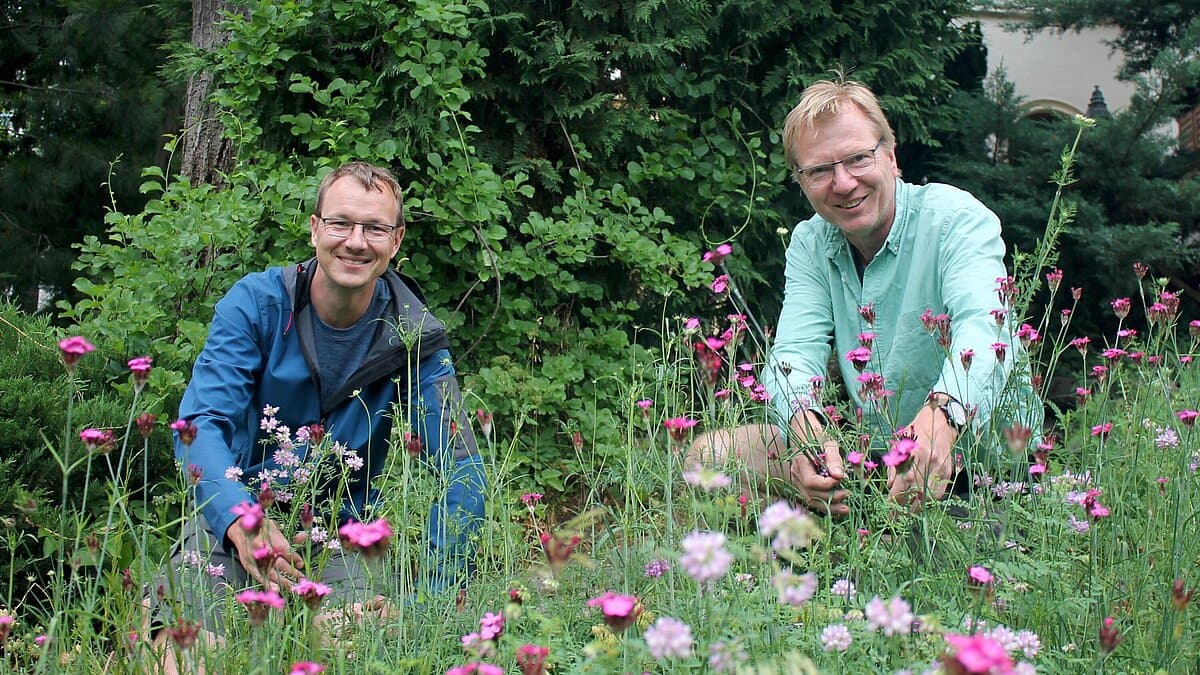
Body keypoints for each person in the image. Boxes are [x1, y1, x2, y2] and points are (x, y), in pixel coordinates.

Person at [159, 161, 486, 638]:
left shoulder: (417, 338)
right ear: (315, 229)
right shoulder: (255, 305)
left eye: (374, 228)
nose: (355, 241)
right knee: (183, 644)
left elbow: (462, 465)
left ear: (396, 242)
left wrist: (429, 599)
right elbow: (201, 423)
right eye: (340, 223)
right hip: (239, 520)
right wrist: (240, 516)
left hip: (343, 538)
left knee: (347, 644)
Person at [691, 76, 1039, 515]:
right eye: (819, 170)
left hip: (984, 463)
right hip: (868, 458)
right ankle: (818, 537)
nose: (842, 183)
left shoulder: (955, 219)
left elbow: (984, 327)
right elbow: (793, 354)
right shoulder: (811, 244)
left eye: (858, 158)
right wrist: (803, 428)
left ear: (891, 158)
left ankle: (854, 539)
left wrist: (943, 417)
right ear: (801, 182)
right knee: (708, 455)